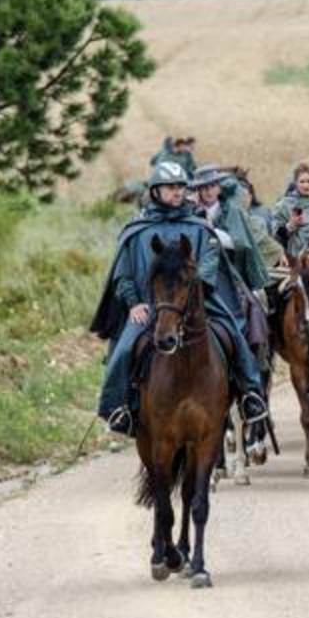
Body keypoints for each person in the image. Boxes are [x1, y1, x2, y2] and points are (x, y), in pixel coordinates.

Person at [90, 162, 267, 436]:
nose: (177, 192)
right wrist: (134, 303)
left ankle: (250, 396)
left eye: (181, 187)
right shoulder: (136, 230)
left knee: (234, 334)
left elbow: (210, 263)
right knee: (124, 348)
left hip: (198, 302)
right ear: (156, 191)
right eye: (171, 187)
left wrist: (194, 293)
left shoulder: (199, 227)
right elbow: (122, 275)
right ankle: (118, 407)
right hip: (150, 308)